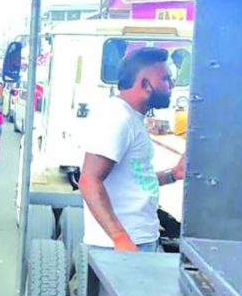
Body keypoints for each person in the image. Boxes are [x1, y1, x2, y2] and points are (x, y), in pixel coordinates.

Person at [80, 47, 186, 252]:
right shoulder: (117, 118)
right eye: (166, 79)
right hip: (121, 247)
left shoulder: (131, 117)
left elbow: (135, 180)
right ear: (145, 84)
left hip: (139, 240)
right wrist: (119, 238)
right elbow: (89, 181)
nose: (172, 85)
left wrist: (173, 174)